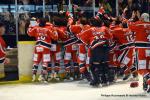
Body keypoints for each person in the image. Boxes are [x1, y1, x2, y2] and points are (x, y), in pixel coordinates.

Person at [27, 18, 58, 82]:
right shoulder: (48, 29)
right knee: (45, 62)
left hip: (38, 47)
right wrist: (54, 29)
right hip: (46, 48)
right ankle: (42, 76)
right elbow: (55, 37)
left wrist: (30, 26)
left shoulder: (36, 28)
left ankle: (33, 75)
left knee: (36, 62)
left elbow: (29, 33)